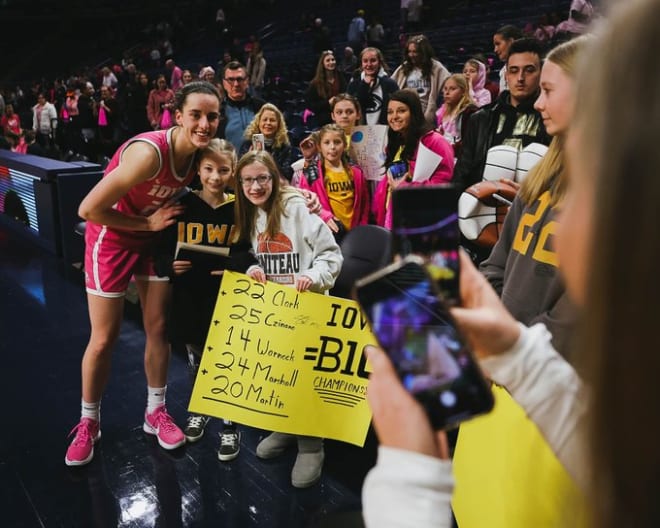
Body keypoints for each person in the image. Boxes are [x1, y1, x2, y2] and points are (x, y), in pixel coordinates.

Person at [362, 2, 660, 527]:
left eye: (547, 88)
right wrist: (508, 348)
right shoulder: (545, 170)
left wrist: (409, 470)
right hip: (513, 386)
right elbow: (498, 263)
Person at [64, 81, 223, 467]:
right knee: (104, 339)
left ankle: (155, 412)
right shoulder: (149, 154)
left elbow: (248, 177)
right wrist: (146, 224)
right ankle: (89, 422)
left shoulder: (202, 155)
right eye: (196, 115)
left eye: (212, 116)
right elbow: (87, 209)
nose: (204, 124)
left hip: (152, 237)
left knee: (159, 329)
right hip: (113, 236)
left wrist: (300, 196)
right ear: (178, 115)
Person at [233, 150, 342, 488]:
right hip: (274, 312)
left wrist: (314, 276)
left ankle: (312, 446)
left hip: (308, 308)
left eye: (262, 178)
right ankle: (287, 426)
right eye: (248, 180)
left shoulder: (296, 208)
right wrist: (252, 268)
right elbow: (249, 253)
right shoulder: (249, 213)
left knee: (306, 378)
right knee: (281, 375)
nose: (255, 186)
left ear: (274, 179)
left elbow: (331, 254)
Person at [154, 139, 255, 461]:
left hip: (226, 298)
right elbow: (159, 250)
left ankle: (230, 423)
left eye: (223, 170)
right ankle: (200, 408)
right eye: (208, 169)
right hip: (188, 296)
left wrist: (234, 266)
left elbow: (247, 251)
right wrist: (167, 266)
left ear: (233, 171)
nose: (215, 176)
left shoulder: (239, 207)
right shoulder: (181, 204)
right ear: (197, 169)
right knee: (196, 360)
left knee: (226, 358)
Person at [453, 38, 551, 192]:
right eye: (514, 70)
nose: (520, 78)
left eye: (529, 70)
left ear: (542, 73)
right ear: (505, 74)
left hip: (535, 207)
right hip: (485, 207)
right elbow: (461, 176)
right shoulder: (480, 118)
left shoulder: (552, 117)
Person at [372, 89, 455, 229]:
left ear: (414, 112)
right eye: (390, 112)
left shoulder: (435, 142)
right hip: (392, 219)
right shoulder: (396, 142)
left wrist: (405, 188)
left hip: (422, 223)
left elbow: (443, 186)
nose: (394, 116)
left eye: (401, 111)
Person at [295, 123, 370, 241]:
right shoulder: (310, 174)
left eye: (337, 142)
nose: (332, 147)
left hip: (355, 234)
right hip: (327, 233)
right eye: (327, 143)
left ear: (345, 145)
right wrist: (324, 216)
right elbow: (303, 203)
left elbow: (365, 205)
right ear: (319, 146)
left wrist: (362, 227)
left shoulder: (357, 173)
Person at [391, 35, 450, 127]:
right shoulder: (404, 67)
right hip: (405, 111)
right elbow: (392, 84)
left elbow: (449, 83)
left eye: (415, 52)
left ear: (423, 52)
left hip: (425, 112)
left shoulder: (436, 67)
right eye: (409, 52)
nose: (411, 55)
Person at [239, 103, 293, 181]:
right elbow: (240, 173)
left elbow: (286, 176)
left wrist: (266, 158)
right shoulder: (247, 145)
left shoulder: (284, 147)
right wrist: (250, 158)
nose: (268, 123)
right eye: (265, 120)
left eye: (272, 120)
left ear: (278, 124)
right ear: (258, 123)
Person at [218, 61, 265, 151]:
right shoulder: (218, 111)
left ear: (247, 81)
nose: (236, 84)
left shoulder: (261, 107)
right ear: (224, 84)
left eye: (240, 79)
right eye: (231, 80)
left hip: (257, 162)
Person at [347, 47, 399, 126]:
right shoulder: (354, 85)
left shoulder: (390, 84)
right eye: (365, 61)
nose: (369, 64)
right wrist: (364, 85)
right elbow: (353, 108)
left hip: (386, 130)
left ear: (379, 62)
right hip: (360, 132)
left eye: (373, 60)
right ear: (361, 63)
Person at [435, 74, 477, 161]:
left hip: (460, 159)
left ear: (463, 91)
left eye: (452, 89)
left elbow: (468, 143)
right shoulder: (444, 110)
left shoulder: (469, 112)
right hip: (445, 155)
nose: (447, 93)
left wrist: (447, 149)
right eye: (445, 89)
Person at [305, 51, 346, 128]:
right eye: (328, 60)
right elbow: (310, 105)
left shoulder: (341, 76)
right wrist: (327, 103)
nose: (331, 62)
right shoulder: (315, 83)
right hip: (325, 121)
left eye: (333, 60)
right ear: (322, 64)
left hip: (342, 117)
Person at [492, 25, 523, 91]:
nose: (495, 50)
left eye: (498, 44)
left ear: (510, 42)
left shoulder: (533, 65)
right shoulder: (503, 71)